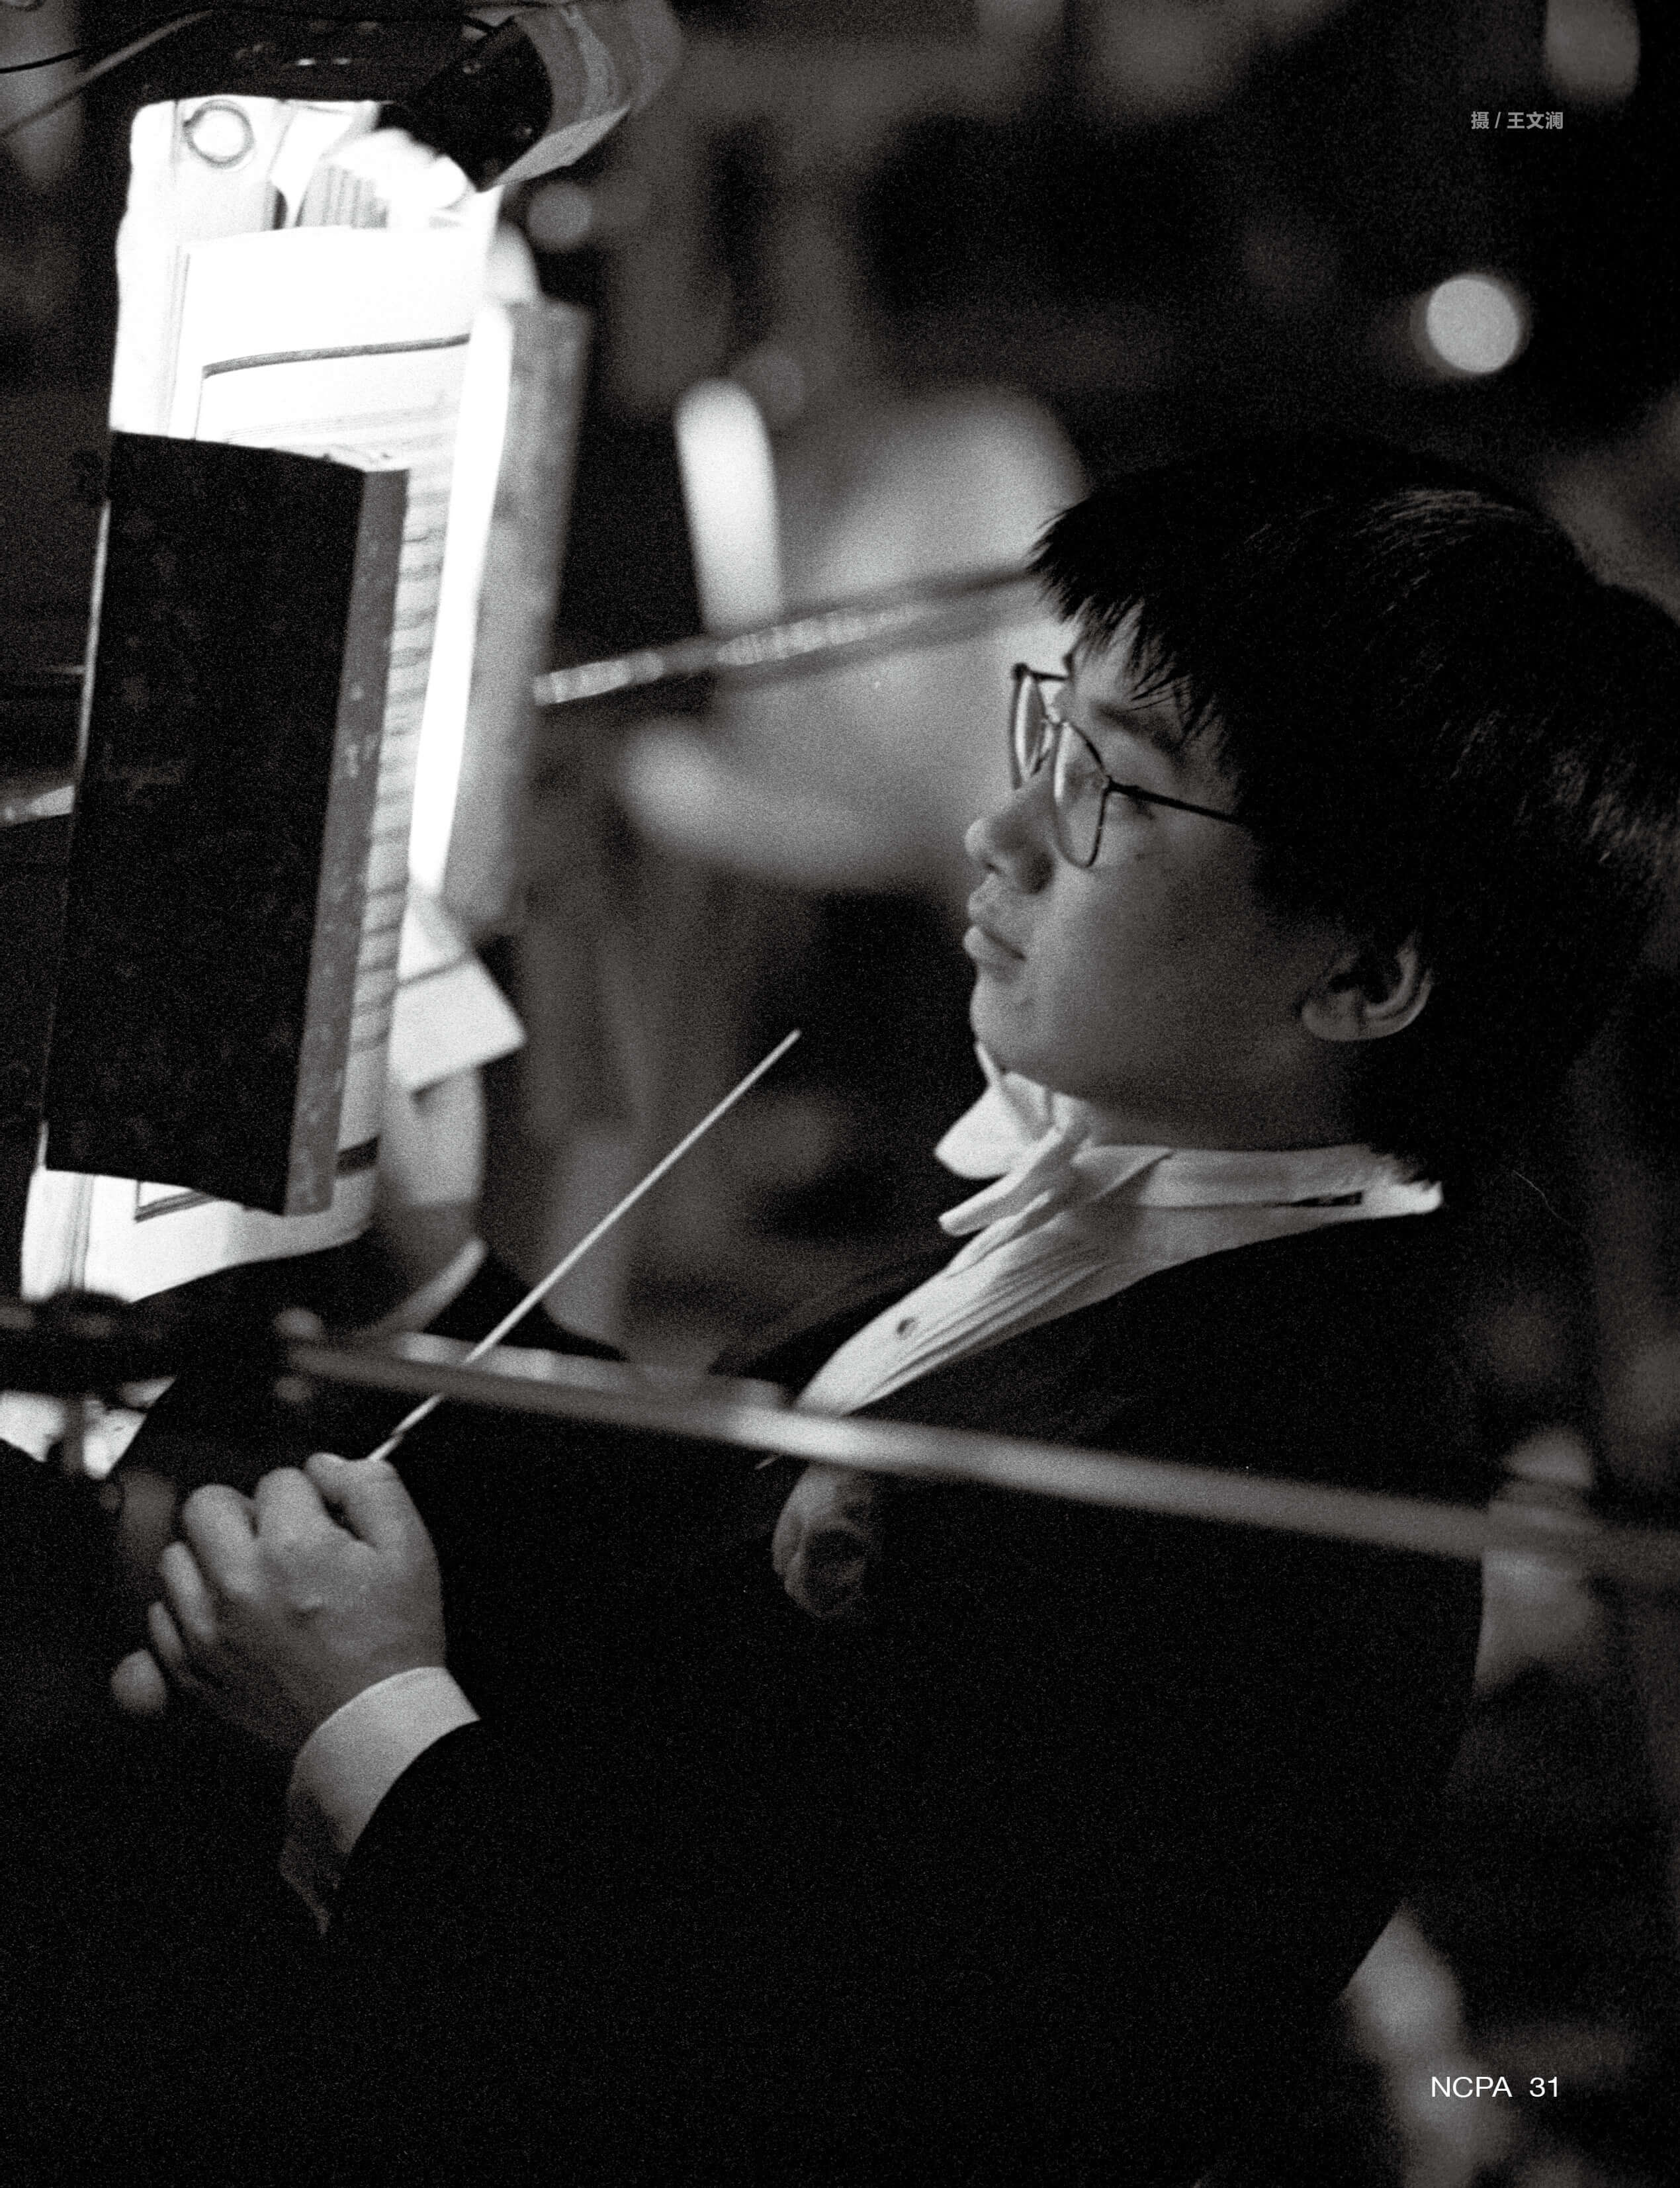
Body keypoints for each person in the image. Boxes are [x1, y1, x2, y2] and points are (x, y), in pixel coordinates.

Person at [97, 439, 1680, 2183]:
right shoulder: (1166, 1219)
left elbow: (771, 2088)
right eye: (1049, 733)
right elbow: (719, 1582)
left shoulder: (1272, 1533)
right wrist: (445, 1278)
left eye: (1116, 794)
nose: (1000, 832)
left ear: (1364, 975)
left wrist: (365, 1721)